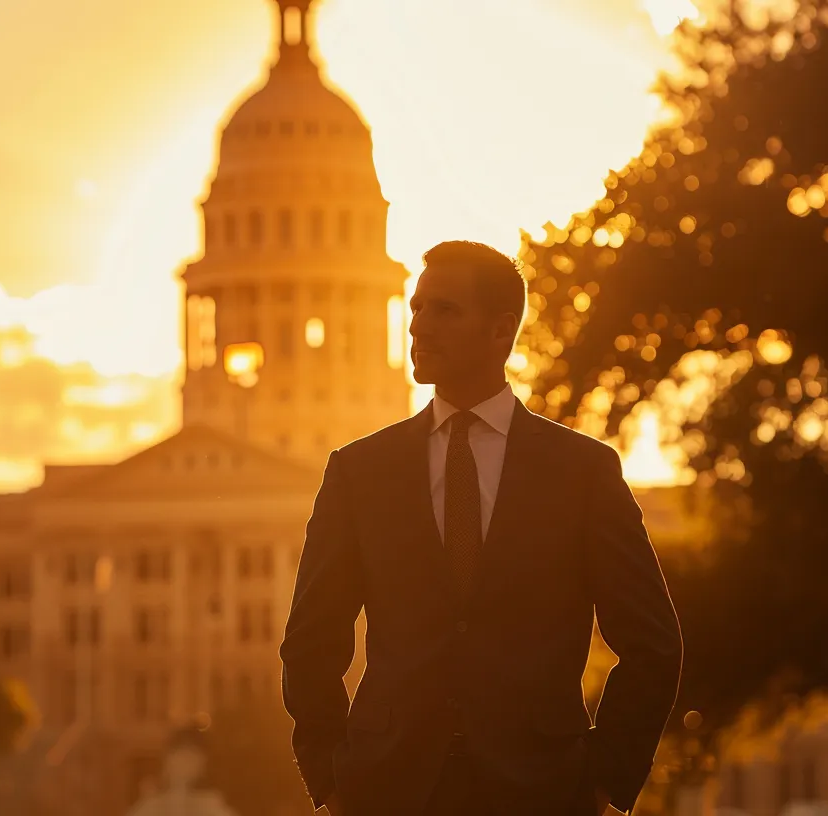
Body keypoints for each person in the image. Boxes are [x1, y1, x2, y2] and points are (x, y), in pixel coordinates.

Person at [279, 241, 683, 815]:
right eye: (416, 309)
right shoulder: (359, 472)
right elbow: (309, 644)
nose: (418, 326)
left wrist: (604, 782)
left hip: (543, 792)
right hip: (388, 792)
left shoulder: (582, 472)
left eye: (444, 310)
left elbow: (652, 645)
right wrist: (331, 782)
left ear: (501, 331)